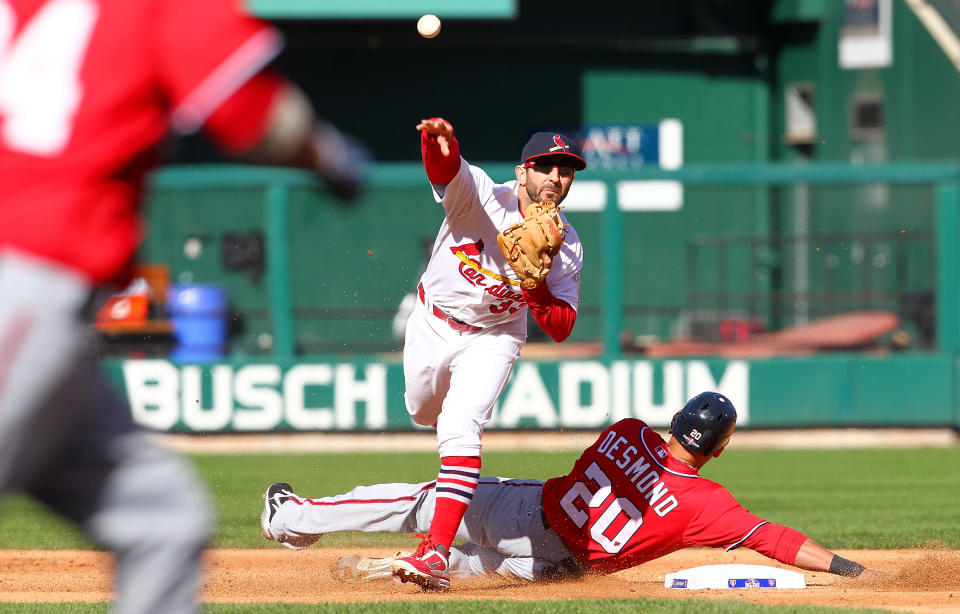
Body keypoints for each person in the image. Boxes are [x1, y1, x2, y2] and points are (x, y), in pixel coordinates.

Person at [0, 0, 369, 612]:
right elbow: (254, 113)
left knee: (164, 520)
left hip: (48, 301)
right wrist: (330, 157)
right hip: (26, 274)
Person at [260, 392, 880, 588]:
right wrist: (842, 566)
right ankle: (430, 566)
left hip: (534, 510)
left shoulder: (629, 432)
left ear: (676, 422)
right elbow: (774, 540)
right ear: (718, 447)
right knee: (471, 568)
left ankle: (293, 518)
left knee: (432, 498)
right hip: (561, 569)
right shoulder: (707, 507)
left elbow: (614, 467)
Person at [380, 117, 584, 589]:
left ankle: (435, 551)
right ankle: (449, 466)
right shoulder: (482, 196)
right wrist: (438, 143)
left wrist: (534, 284)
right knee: (423, 410)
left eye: (566, 170)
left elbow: (561, 327)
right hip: (435, 322)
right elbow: (446, 170)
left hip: (496, 334)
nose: (556, 176)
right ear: (521, 172)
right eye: (545, 166)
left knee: (460, 425)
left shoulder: (567, 243)